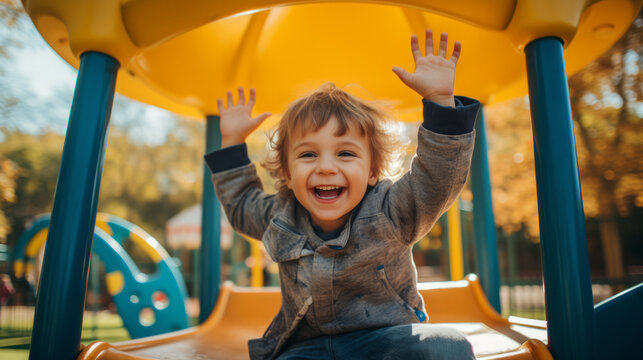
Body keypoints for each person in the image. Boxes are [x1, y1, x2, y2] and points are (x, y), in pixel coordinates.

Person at [205, 30, 479, 360]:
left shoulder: (392, 210)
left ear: (373, 171)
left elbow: (437, 179)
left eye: (345, 154)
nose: (325, 167)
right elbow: (240, 204)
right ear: (288, 175)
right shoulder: (280, 216)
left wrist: (440, 103)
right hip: (307, 348)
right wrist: (233, 141)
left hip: (384, 339)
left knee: (446, 344)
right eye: (308, 155)